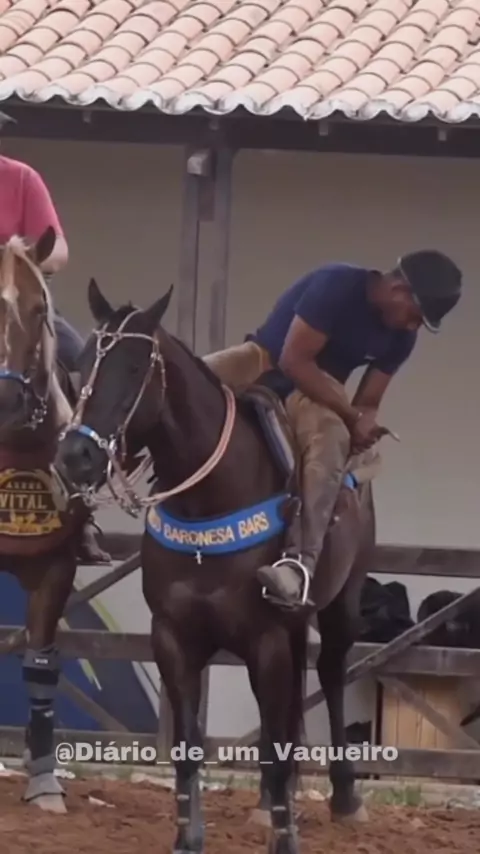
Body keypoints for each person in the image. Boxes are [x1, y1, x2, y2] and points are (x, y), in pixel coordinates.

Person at [204, 251, 462, 611]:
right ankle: (121, 469)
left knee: (331, 443)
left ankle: (298, 565)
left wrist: (364, 423)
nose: (413, 327)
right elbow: (294, 360)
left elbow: (369, 399)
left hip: (318, 393)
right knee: (180, 377)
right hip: (264, 360)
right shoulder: (336, 284)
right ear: (399, 290)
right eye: (416, 316)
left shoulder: (401, 339)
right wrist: (351, 414)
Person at [0, 109, 110, 564]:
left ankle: (83, 513)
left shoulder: (21, 178)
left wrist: (19, 260)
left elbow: (58, 250)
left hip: (21, 306)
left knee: (86, 369)